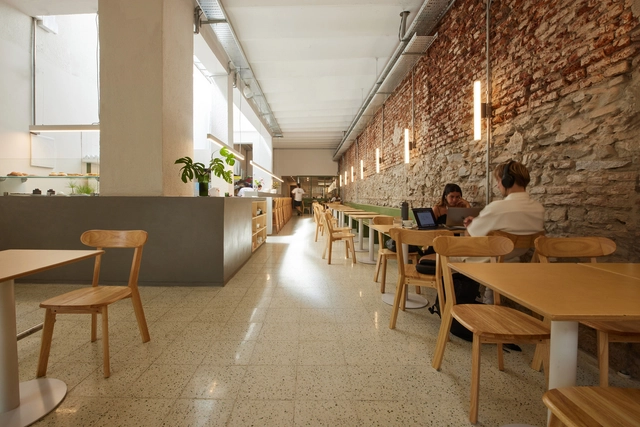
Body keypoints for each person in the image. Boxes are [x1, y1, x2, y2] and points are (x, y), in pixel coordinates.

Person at [463, 160, 545, 306]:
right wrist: (482, 222)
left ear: (508, 181)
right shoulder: (539, 209)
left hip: (489, 264)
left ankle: (452, 305)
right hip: (514, 261)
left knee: (447, 255)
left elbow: (469, 238)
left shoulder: (497, 208)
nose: (498, 185)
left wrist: (471, 226)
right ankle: (487, 299)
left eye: (499, 181)